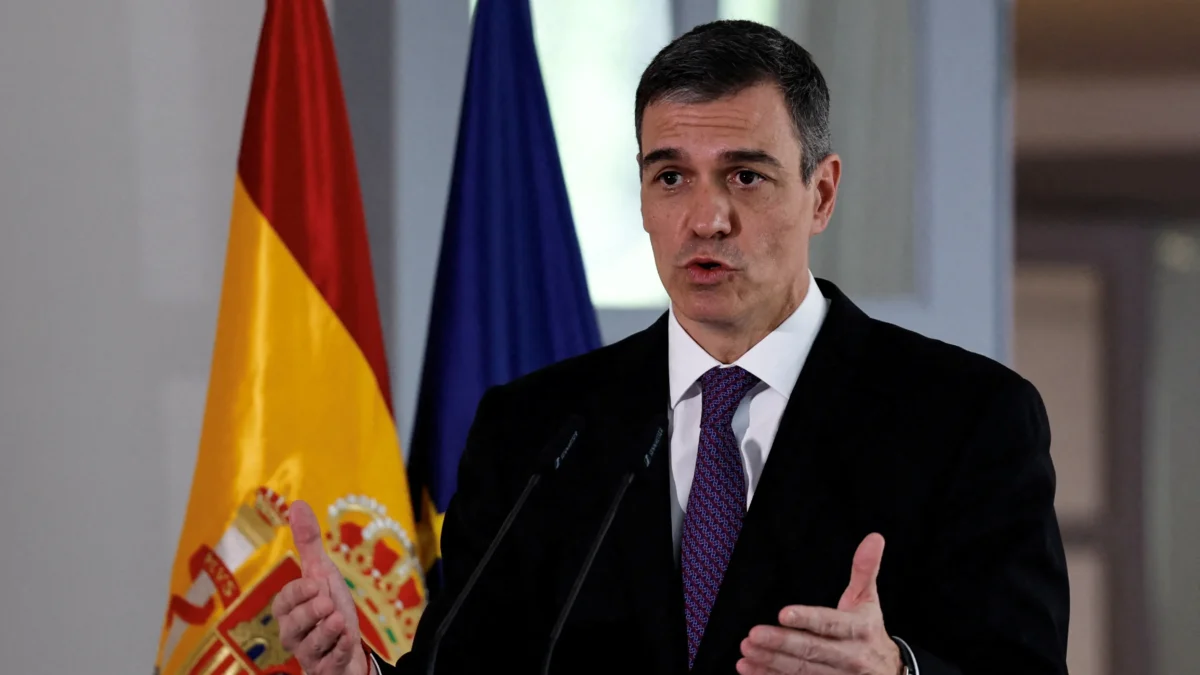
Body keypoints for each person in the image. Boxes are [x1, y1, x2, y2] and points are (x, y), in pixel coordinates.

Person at [272, 19, 1070, 675]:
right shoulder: (537, 429)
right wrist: (360, 671)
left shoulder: (966, 417)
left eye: (745, 176)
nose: (705, 219)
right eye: (671, 177)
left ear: (821, 192)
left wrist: (897, 672)